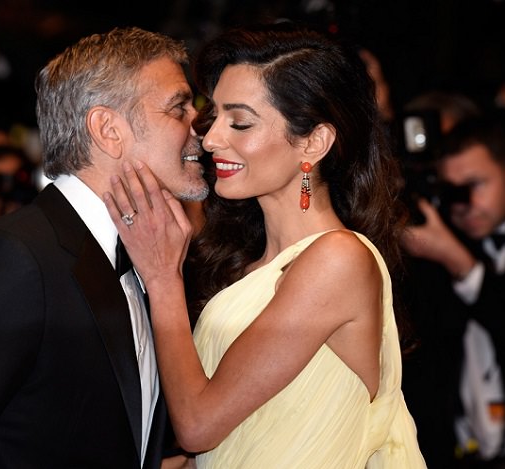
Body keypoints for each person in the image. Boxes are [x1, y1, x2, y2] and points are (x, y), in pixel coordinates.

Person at [104, 23, 426, 468]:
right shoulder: (250, 265)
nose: (211, 139)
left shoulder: (338, 260)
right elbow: (237, 445)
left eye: (240, 122)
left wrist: (162, 279)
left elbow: (197, 426)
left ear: (313, 142)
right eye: (214, 116)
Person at [0, 26, 208, 468]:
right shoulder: (18, 256)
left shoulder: (151, 256)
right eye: (179, 108)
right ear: (108, 130)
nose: (202, 127)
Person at [403, 117, 505, 467]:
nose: (464, 203)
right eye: (451, 191)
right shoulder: (434, 252)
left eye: (475, 184)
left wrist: (458, 262)